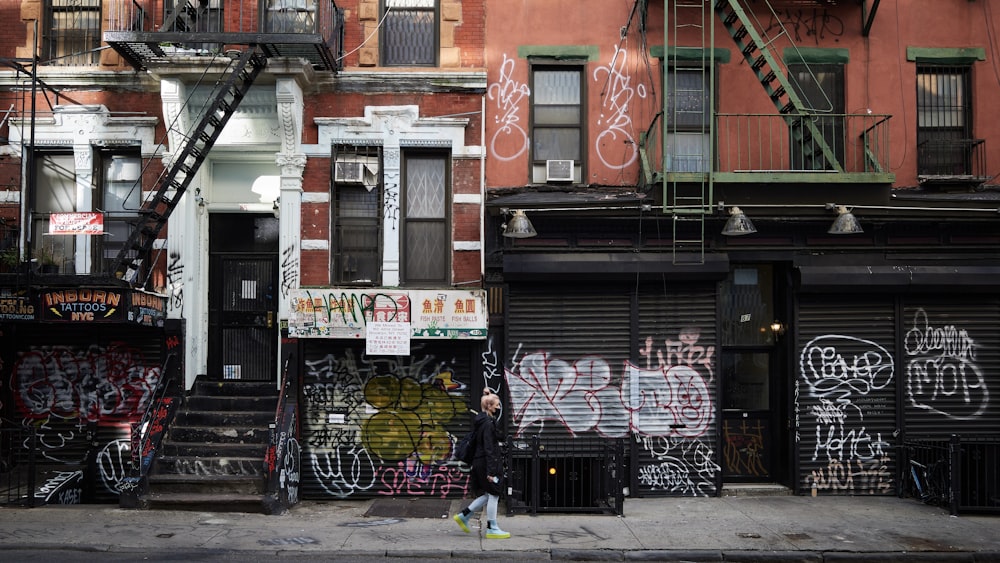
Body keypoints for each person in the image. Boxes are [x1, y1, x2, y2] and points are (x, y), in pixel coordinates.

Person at [452, 388, 510, 539]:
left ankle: (464, 516)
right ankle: (492, 528)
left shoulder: (482, 420)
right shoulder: (487, 424)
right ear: (489, 407)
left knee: (488, 494)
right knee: (494, 494)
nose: (499, 407)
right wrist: (491, 472)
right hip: (486, 463)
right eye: (496, 405)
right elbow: (489, 448)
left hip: (480, 462)